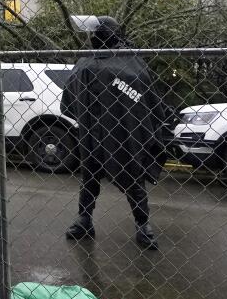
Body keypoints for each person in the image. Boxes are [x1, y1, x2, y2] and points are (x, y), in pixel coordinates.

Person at [62, 15, 167, 251]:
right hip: (97, 133)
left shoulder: (127, 62)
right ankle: (85, 219)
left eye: (93, 34)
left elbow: (145, 97)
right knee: (91, 177)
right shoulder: (90, 62)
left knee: (131, 176)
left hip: (122, 134)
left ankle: (142, 224)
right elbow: (70, 98)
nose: (90, 38)